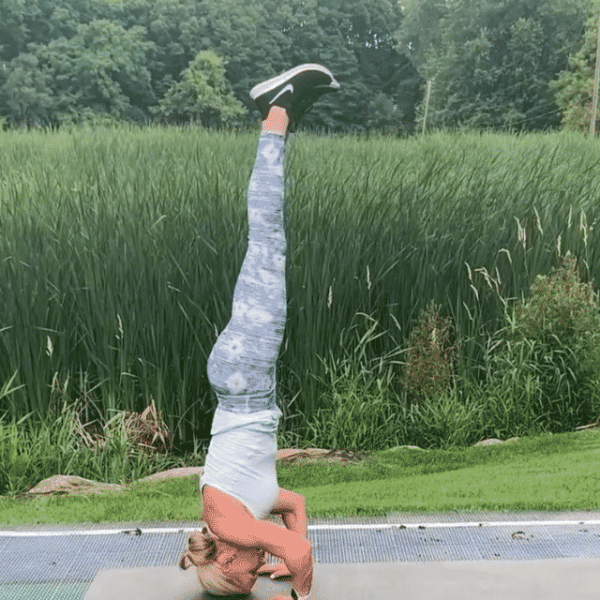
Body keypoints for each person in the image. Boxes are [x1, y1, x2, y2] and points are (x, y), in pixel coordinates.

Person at [179, 64, 340, 599]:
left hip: (246, 373)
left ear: (226, 559)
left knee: (267, 239)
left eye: (246, 574)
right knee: (267, 245)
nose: (253, 571)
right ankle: (284, 115)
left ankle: (276, 111)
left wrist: (300, 589)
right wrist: (282, 562)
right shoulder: (247, 513)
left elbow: (296, 550)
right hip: (244, 377)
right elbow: (293, 508)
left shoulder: (230, 526)